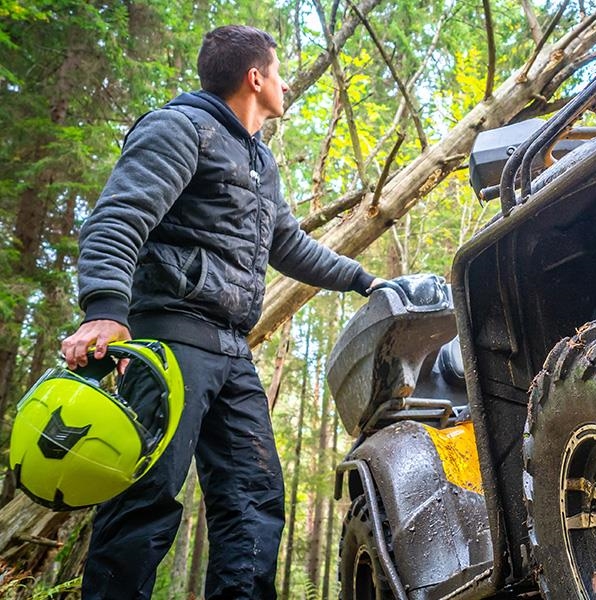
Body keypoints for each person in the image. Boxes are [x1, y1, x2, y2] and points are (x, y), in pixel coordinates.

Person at [60, 25, 384, 599]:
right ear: (255, 78)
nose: (285, 84)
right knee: (145, 497)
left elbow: (289, 245)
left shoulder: (260, 161)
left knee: (254, 500)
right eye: (279, 73)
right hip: (170, 341)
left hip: (233, 352)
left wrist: (366, 281)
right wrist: (105, 309)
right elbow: (117, 218)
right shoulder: (180, 128)